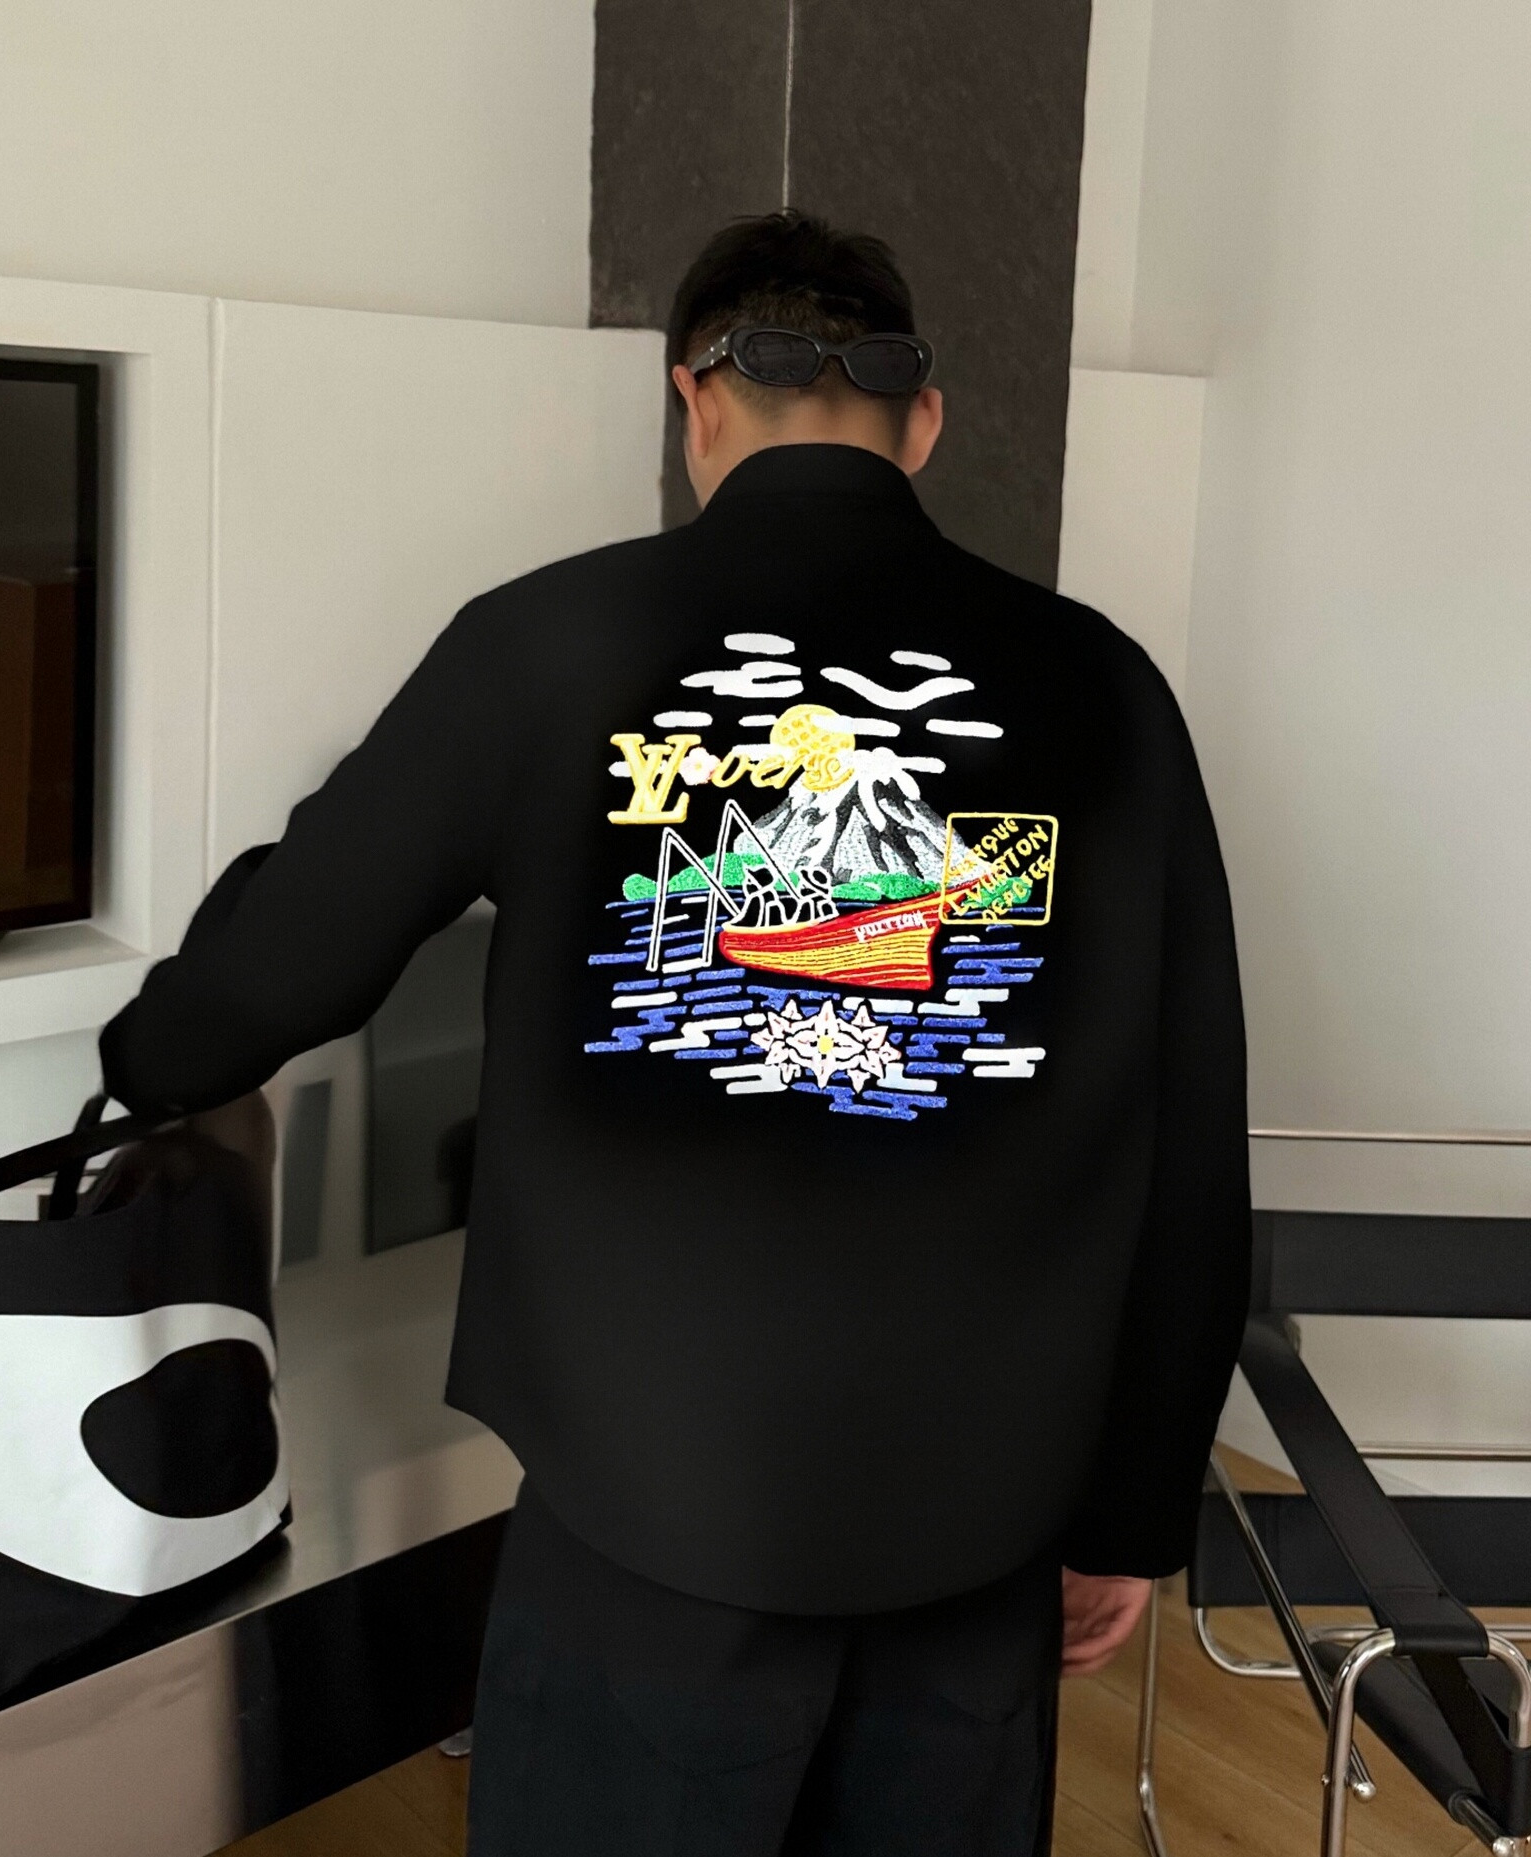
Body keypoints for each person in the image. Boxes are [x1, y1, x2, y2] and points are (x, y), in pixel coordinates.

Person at [99, 212, 1251, 1855]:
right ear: (924, 423)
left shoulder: (546, 641)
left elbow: (291, 955)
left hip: (644, 1504)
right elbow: (1191, 1127)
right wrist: (1135, 1503)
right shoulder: (1108, 686)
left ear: (693, 403)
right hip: (977, 1513)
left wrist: (142, 1068)